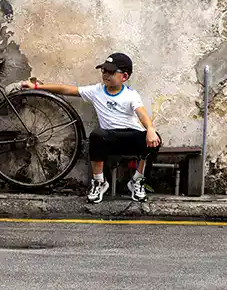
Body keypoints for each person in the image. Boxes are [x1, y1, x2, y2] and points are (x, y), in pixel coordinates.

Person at [20, 53, 161, 203]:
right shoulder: (96, 91)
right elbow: (67, 90)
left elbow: (142, 114)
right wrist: (36, 86)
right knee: (96, 136)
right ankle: (99, 182)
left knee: (155, 139)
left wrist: (150, 130)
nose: (105, 74)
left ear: (124, 76)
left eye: (111, 71)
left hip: (130, 136)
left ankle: (137, 181)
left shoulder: (130, 95)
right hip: (109, 138)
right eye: (104, 70)